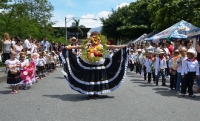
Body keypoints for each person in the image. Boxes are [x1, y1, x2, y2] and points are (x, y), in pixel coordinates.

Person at [61, 31, 127, 98]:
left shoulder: (101, 45)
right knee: (90, 78)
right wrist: (69, 47)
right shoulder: (88, 45)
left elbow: (110, 46)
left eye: (96, 35)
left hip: (99, 63)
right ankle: (90, 92)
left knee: (97, 78)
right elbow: (79, 47)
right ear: (91, 37)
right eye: (93, 35)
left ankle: (96, 92)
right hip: (89, 63)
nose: (94, 37)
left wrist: (121, 46)